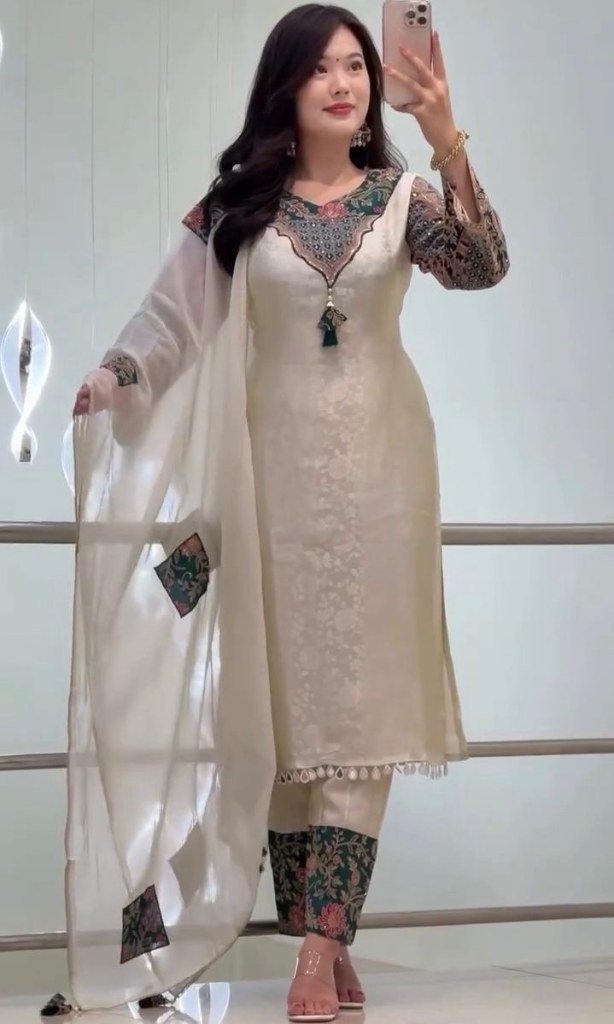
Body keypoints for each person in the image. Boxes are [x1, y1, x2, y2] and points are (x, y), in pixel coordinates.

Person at [70, 4, 509, 1022]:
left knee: (362, 708)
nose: (343, 83)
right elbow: (170, 320)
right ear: (285, 87)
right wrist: (115, 375)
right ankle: (319, 934)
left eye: (355, 65)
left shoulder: (400, 199)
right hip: (266, 485)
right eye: (320, 69)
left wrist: (444, 135)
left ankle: (320, 943)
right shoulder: (240, 209)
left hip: (384, 485)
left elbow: (484, 266)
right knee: (277, 715)